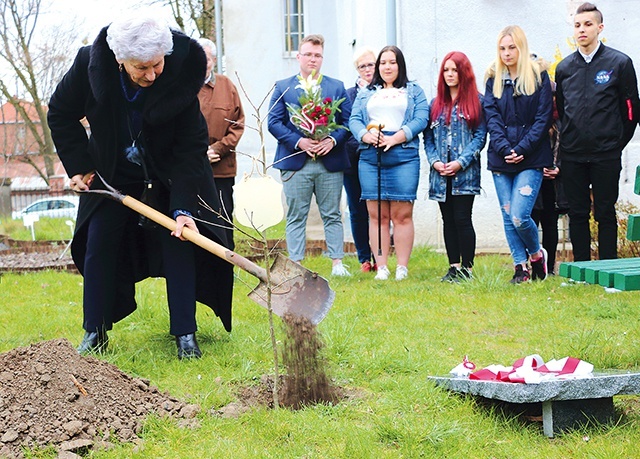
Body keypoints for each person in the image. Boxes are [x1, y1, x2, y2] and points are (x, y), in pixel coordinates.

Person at [47, 13, 234, 359]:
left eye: (156, 65)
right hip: (112, 175)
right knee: (99, 244)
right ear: (120, 60)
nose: (151, 74)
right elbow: (59, 111)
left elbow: (190, 147)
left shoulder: (178, 72)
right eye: (141, 68)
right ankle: (95, 330)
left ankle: (185, 335)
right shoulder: (90, 64)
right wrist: (81, 166)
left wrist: (182, 208)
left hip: (168, 173)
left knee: (180, 242)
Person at [555, 2, 640, 261]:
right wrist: (569, 141)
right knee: (578, 213)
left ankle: (607, 267)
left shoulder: (619, 62)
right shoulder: (565, 68)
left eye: (588, 24)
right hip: (573, 154)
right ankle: (581, 269)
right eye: (577, 25)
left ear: (599, 28)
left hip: (606, 154)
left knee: (605, 212)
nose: (582, 30)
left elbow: (631, 111)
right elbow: (561, 108)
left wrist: (614, 143)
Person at [267, 34, 352, 276]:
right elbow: (274, 122)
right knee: (296, 214)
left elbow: (346, 123)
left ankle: (337, 263)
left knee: (333, 213)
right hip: (296, 162)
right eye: (308, 54)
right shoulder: (283, 87)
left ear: (322, 58)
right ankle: (295, 263)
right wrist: (300, 141)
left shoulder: (336, 86)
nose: (312, 59)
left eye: (317, 55)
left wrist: (331, 140)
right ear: (299, 56)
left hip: (329, 161)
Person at [349, 45, 429, 281]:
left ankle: (402, 267)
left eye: (392, 62)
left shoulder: (413, 91)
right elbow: (354, 119)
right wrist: (365, 135)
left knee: (402, 214)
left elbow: (421, 119)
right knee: (377, 215)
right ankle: (381, 266)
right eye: (383, 62)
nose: (387, 67)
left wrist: (396, 137)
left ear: (400, 65)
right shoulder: (366, 92)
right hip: (371, 158)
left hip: (404, 155)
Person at [483, 25, 554, 283]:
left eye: (512, 47)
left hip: (532, 157)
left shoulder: (538, 76)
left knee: (519, 215)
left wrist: (521, 149)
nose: (507, 53)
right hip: (501, 158)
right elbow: (491, 118)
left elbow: (542, 118)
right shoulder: (493, 79)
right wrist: (505, 149)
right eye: (502, 48)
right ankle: (520, 268)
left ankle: (536, 255)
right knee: (507, 213)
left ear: (521, 47)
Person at [424, 51, 486, 282]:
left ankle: (467, 270)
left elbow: (480, 137)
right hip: (440, 174)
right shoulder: (435, 104)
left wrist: (461, 162)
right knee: (447, 220)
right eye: (446, 70)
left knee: (462, 218)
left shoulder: (477, 101)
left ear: (464, 73)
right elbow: (428, 139)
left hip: (465, 174)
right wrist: (435, 162)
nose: (450, 74)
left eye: (454, 70)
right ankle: (453, 267)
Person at [197, 38, 245, 247]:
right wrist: (197, 152)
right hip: (192, 170)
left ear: (214, 60)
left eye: (206, 58)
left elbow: (238, 124)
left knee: (223, 221)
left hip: (221, 170)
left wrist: (218, 148)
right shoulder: (182, 87)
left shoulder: (227, 86)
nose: (201, 62)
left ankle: (226, 265)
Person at [530, 56, 569, 275]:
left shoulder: (558, 110)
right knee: (530, 220)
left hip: (553, 178)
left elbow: (566, 142)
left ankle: (551, 266)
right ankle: (533, 264)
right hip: (532, 173)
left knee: (550, 222)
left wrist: (557, 167)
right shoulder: (526, 104)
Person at [345, 46, 377, 273]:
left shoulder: (385, 92)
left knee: (378, 210)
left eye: (370, 65)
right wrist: (364, 142)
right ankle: (364, 258)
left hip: (379, 158)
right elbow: (346, 127)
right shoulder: (348, 95)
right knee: (357, 209)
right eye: (362, 66)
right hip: (353, 158)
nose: (367, 69)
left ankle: (379, 256)